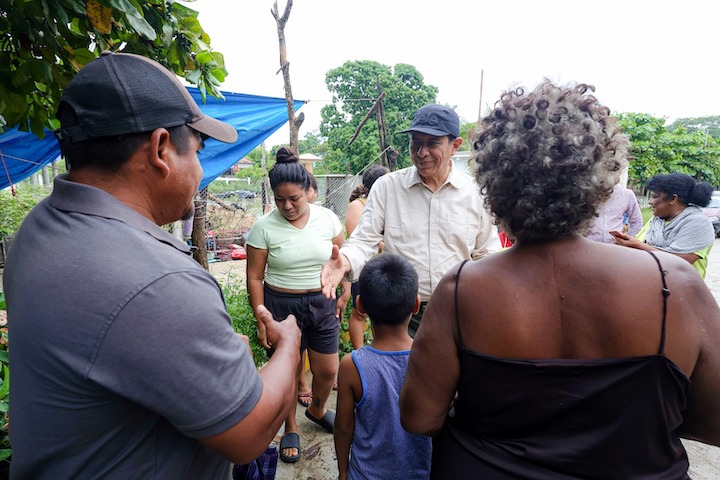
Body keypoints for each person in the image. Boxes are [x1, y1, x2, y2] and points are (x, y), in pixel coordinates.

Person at [399, 80, 720, 478]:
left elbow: (419, 419)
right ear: (600, 179)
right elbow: (714, 423)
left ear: (493, 182)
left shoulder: (461, 288)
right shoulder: (673, 283)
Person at [3, 52, 301, 479]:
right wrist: (289, 346)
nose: (199, 169)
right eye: (197, 151)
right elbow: (248, 433)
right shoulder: (159, 280)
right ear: (161, 148)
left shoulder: (40, 229)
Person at [321, 104, 498, 337]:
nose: (421, 152)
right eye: (416, 142)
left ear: (455, 146)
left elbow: (487, 254)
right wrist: (343, 261)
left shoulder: (475, 192)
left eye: (432, 143)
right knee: (403, 373)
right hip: (401, 316)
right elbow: (364, 241)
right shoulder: (387, 188)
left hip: (460, 312)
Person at [246, 148, 346, 463]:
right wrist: (262, 319)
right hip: (280, 303)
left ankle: (317, 409)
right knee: (287, 370)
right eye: (279, 199)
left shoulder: (328, 218)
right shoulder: (263, 227)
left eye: (294, 199)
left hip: (322, 301)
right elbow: (253, 277)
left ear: (308, 192)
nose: (286, 206)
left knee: (328, 368)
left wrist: (345, 289)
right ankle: (290, 425)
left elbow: (340, 258)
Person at [334, 254, 431, 480]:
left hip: (365, 474)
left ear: (361, 306)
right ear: (416, 304)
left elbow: (343, 427)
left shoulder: (352, 365)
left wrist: (342, 471)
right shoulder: (430, 359)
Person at [611, 172, 715, 278]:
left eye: (654, 197)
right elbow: (641, 244)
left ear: (673, 199)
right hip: (652, 285)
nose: (650, 202)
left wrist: (638, 245)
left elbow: (680, 262)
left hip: (684, 290)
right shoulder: (657, 221)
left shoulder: (699, 224)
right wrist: (625, 243)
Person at [344, 164, 389, 349]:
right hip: (363, 269)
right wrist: (386, 244)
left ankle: (378, 349)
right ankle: (359, 353)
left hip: (383, 268)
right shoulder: (358, 206)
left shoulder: (387, 204)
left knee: (381, 313)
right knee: (359, 312)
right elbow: (358, 239)